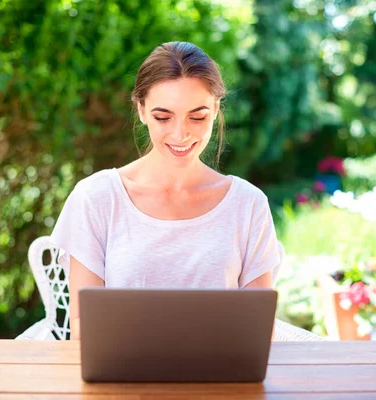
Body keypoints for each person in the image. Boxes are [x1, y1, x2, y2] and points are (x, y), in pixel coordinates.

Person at [51, 41, 284, 340]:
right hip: (123, 380)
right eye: (163, 117)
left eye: (197, 117)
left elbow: (259, 329)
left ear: (215, 110)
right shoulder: (96, 198)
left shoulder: (248, 204)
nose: (180, 134)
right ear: (141, 110)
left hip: (220, 381)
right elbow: (84, 327)